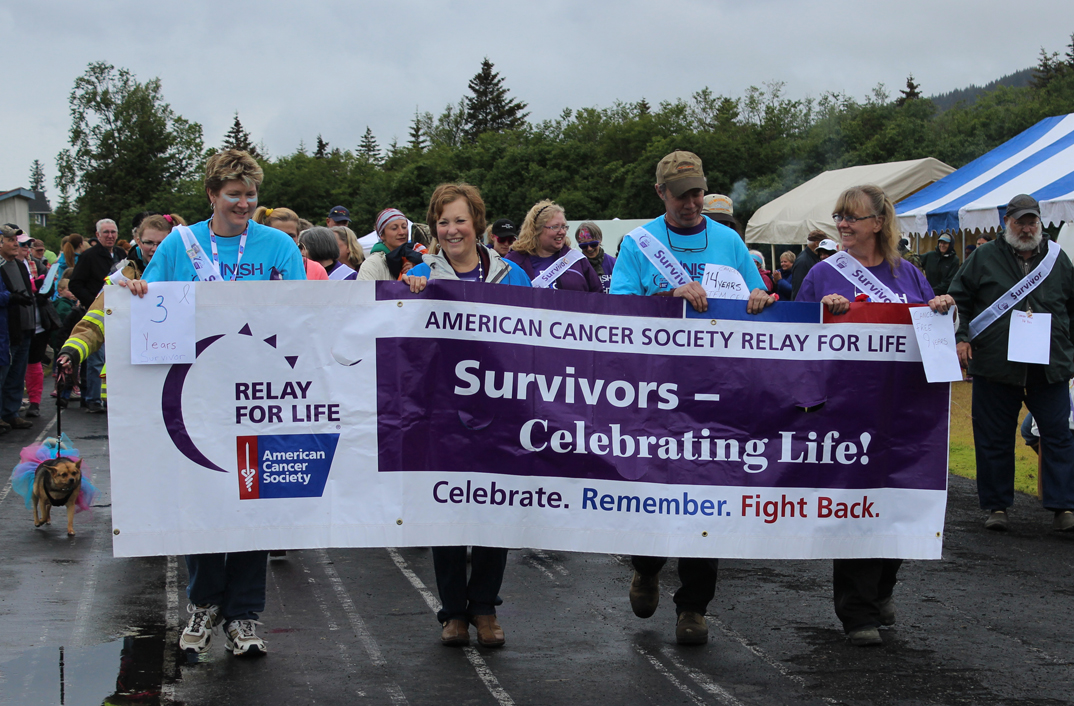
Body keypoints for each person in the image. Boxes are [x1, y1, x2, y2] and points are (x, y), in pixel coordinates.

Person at [125, 149, 306, 658]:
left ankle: (244, 615)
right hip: (195, 395)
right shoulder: (182, 244)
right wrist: (137, 288)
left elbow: (304, 313)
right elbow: (147, 296)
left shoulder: (276, 245)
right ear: (212, 195)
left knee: (253, 503)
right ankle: (204, 603)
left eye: (251, 195)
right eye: (234, 195)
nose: (245, 203)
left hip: (259, 394)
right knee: (201, 501)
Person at [610, 150, 772, 646]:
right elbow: (616, 310)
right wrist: (669, 298)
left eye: (698, 192)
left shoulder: (727, 240)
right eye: (682, 194)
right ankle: (647, 565)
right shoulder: (638, 245)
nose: (693, 202)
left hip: (717, 392)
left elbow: (759, 295)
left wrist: (762, 298)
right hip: (655, 390)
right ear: (661, 194)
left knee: (709, 495)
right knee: (655, 492)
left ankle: (694, 606)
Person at [796, 184, 940, 647]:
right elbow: (794, 334)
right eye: (839, 216)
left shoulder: (910, 274)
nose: (842, 224)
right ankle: (857, 612)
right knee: (857, 508)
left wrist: (943, 309)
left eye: (852, 217)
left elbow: (930, 328)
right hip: (848, 410)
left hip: (904, 410)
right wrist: (822, 312)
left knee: (899, 505)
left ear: (878, 223)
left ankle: (881, 591)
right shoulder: (822, 273)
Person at [401, 183, 530, 648]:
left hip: (499, 410)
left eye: (459, 220)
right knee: (448, 510)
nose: (451, 229)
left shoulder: (512, 275)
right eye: (442, 221)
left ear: (477, 222)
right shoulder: (418, 274)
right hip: (441, 412)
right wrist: (409, 293)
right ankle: (453, 612)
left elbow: (537, 343)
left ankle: (485, 609)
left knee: (495, 509)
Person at [940, 194, 1074, 534]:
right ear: (1007, 224)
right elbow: (961, 298)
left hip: (1050, 365)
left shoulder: (1058, 259)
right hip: (996, 363)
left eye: (1032, 222)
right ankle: (997, 506)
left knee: (1059, 436)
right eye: (1020, 222)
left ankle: (1064, 507)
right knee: (993, 437)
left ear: (1040, 223)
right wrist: (961, 336)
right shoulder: (983, 256)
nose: (1027, 228)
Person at [54, 213, 180, 397]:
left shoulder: (185, 270)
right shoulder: (122, 276)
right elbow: (95, 320)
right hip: (131, 376)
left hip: (176, 371)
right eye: (148, 243)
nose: (154, 249)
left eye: (161, 243)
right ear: (137, 240)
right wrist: (71, 352)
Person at [68, 219, 124, 414]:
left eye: (113, 232)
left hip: (118, 314)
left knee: (114, 359)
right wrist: (94, 301)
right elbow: (74, 284)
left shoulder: (121, 255)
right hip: (97, 314)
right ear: (98, 235)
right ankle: (92, 398)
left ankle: (110, 398)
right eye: (106, 232)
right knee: (96, 359)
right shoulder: (88, 257)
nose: (110, 236)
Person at [506, 200, 602, 292]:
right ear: (536, 229)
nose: (562, 232)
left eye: (564, 226)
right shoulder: (514, 262)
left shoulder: (577, 261)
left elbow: (598, 296)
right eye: (555, 227)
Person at [0, 226, 32, 432]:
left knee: (18, 375)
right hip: (7, 329)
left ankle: (11, 412)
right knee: (4, 373)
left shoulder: (20, 265)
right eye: (11, 240)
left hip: (25, 326)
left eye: (16, 240)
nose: (15, 244)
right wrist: (11, 298)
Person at [253, 207, 328, 280]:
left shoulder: (316, 269)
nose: (286, 240)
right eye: (279, 235)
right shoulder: (253, 267)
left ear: (298, 235)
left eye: (291, 236)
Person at [357, 208, 426, 281]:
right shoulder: (372, 264)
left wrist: (416, 270)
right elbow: (364, 291)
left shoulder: (416, 256)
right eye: (394, 228)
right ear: (382, 235)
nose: (401, 232)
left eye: (404, 227)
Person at [575, 221, 616, 293]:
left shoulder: (614, 264)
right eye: (584, 246)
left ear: (600, 240)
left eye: (593, 244)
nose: (589, 248)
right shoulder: (576, 267)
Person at [791, 230, 827, 300]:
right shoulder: (803, 261)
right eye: (823, 243)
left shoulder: (813, 258)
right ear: (816, 243)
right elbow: (799, 289)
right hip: (804, 306)